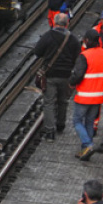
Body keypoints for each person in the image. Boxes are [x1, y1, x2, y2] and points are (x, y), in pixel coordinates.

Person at [33, 12, 82, 141]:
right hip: (66, 75)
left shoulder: (47, 36)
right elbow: (78, 56)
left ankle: (50, 132)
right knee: (63, 100)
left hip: (50, 75)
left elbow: (37, 52)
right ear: (67, 23)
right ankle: (61, 124)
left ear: (55, 22)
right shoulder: (73, 39)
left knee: (49, 102)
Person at [69, 29, 103, 160]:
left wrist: (71, 82)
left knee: (77, 121)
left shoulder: (84, 55)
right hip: (99, 95)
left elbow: (79, 74)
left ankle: (88, 144)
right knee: (90, 122)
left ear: (87, 40)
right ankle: (84, 151)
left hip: (85, 95)